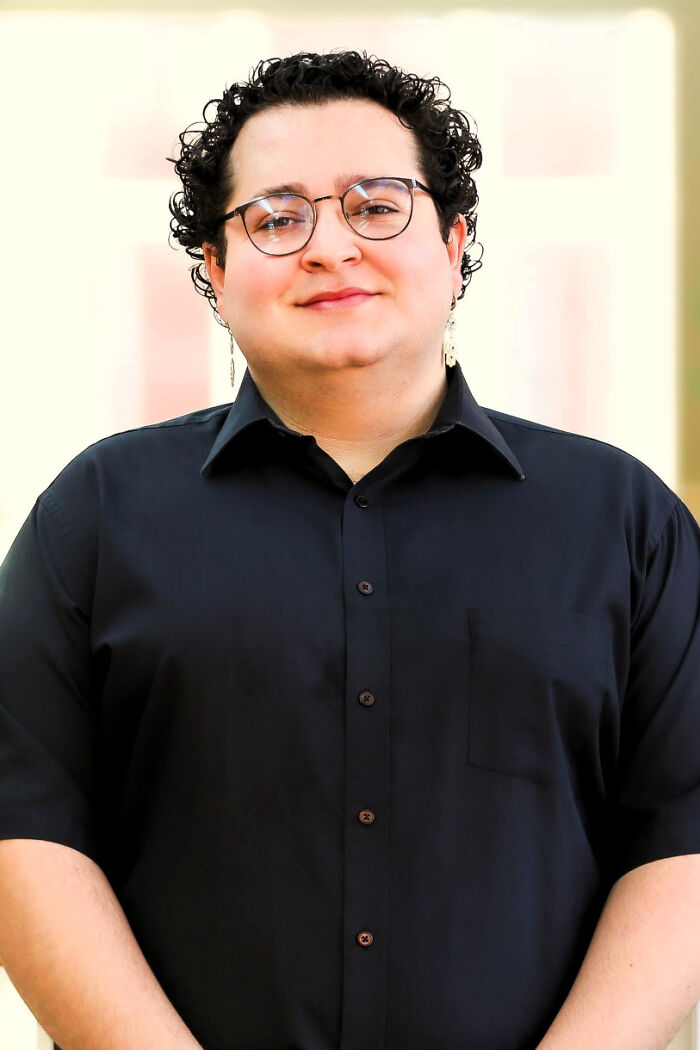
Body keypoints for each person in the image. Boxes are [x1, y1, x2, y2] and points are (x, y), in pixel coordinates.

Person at [0, 49, 698, 1050]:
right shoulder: (97, 516)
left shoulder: (623, 520)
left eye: (376, 206)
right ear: (215, 270)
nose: (330, 247)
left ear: (454, 243)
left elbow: (682, 835)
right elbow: (25, 830)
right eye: (277, 218)